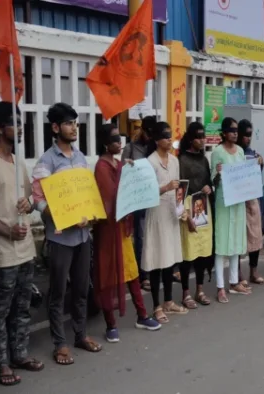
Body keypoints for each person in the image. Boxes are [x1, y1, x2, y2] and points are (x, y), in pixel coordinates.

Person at [0, 102, 43, 386]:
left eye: (21, 122)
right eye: (14, 123)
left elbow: (28, 202)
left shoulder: (19, 163)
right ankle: (0, 363)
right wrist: (5, 230)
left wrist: (28, 204)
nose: (20, 128)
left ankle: (19, 354)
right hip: (3, 252)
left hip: (26, 249)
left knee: (22, 307)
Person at [32, 102, 101, 365]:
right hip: (60, 238)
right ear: (55, 127)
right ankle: (60, 344)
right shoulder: (45, 162)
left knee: (82, 289)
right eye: (69, 123)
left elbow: (88, 195)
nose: (75, 128)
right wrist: (61, 215)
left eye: (76, 123)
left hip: (83, 237)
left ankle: (81, 335)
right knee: (59, 292)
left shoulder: (81, 157)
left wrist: (91, 214)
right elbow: (38, 200)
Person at [93, 124, 162, 343]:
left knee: (131, 271)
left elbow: (129, 189)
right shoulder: (102, 167)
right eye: (114, 139)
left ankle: (142, 315)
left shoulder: (121, 163)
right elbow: (110, 197)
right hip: (108, 230)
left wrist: (130, 171)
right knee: (108, 275)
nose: (119, 142)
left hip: (122, 229)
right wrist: (127, 177)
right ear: (105, 143)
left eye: (120, 138)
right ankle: (110, 324)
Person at [142, 121, 189, 324]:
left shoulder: (174, 160)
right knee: (156, 260)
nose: (170, 140)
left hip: (171, 213)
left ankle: (169, 301)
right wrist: (165, 187)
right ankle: (156, 306)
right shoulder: (149, 163)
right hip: (157, 212)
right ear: (156, 139)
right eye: (165, 136)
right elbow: (145, 193)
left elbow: (179, 189)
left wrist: (182, 209)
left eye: (171, 136)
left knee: (170, 259)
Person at [211, 117, 251, 302]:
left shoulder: (241, 151)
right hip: (223, 202)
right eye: (232, 130)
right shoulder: (217, 152)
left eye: (237, 130)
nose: (235, 133)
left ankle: (234, 282)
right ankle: (220, 286)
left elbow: (245, 175)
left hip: (238, 201)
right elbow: (213, 182)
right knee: (221, 243)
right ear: (224, 133)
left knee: (236, 240)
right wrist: (218, 173)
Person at [177, 122, 214, 307]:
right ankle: (185, 293)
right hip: (189, 207)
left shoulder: (204, 159)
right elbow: (180, 190)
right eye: (199, 137)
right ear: (191, 139)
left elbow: (208, 181)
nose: (202, 140)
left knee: (202, 251)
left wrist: (210, 187)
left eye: (204, 136)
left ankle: (199, 289)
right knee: (188, 252)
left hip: (204, 206)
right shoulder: (181, 160)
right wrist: (187, 216)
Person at [122, 116, 153, 290]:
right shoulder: (130, 148)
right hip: (139, 199)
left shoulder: (156, 147)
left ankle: (157, 269)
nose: (149, 136)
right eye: (147, 132)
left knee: (154, 234)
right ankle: (144, 275)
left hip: (156, 197)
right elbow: (122, 173)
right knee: (140, 236)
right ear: (142, 130)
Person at [237, 119, 264, 287]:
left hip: (253, 199)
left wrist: (260, 163)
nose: (248, 138)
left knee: (255, 235)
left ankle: (253, 271)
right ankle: (239, 273)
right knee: (239, 237)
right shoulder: (234, 153)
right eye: (245, 135)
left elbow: (257, 176)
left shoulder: (254, 154)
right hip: (238, 200)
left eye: (250, 135)